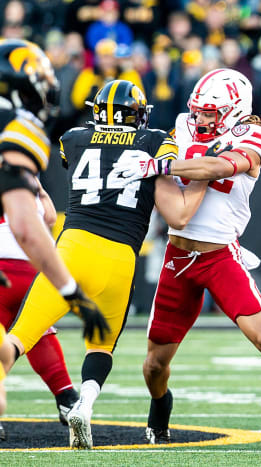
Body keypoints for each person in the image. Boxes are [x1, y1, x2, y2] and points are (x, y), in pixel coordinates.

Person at [113, 68, 261, 450]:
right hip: (178, 256)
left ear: (235, 110)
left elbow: (219, 166)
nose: (200, 119)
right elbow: (171, 160)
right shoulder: (183, 126)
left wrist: (158, 166)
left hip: (220, 254)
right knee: (154, 363)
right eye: (198, 111)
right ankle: (160, 405)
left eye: (209, 113)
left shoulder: (255, 134)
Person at [2, 79, 208, 449]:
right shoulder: (154, 140)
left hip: (73, 248)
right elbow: (174, 182)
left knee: (19, 337)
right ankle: (85, 403)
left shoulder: (74, 138)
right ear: (137, 115)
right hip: (120, 256)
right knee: (100, 346)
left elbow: (76, 155)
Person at [0, 39, 107, 419]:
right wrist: (72, 293)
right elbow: (32, 226)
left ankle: (64, 396)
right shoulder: (16, 129)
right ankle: (65, 397)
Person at [0, 179, 80, 430]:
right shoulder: (25, 175)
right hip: (31, 270)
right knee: (36, 332)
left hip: (3, 267)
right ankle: (66, 398)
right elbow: (48, 217)